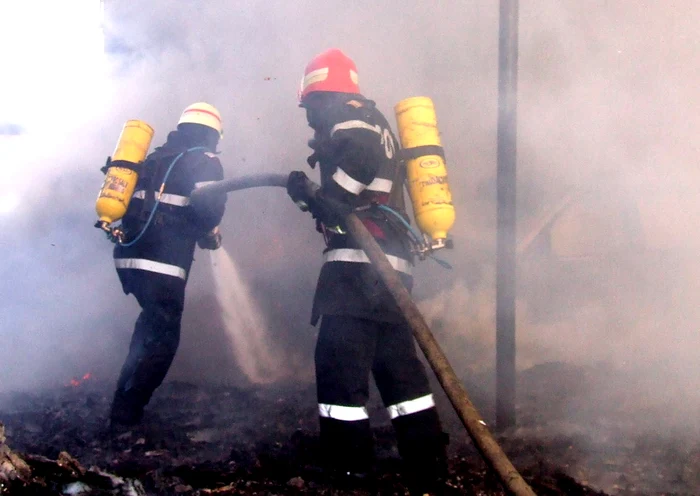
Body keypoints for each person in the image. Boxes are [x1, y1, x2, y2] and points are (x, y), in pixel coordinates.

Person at [287, 49, 448, 495]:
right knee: (399, 372)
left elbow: (351, 175)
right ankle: (428, 462)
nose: (308, 116)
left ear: (320, 94)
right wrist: (313, 198)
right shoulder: (372, 120)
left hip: (358, 269)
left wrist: (319, 195)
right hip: (389, 270)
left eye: (308, 105)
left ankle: (349, 469)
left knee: (339, 368)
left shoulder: (350, 120)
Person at [109, 102, 227, 427]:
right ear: (212, 134)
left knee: (149, 327)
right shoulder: (205, 159)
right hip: (163, 264)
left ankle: (123, 402)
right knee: (163, 340)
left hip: (130, 258)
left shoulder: (153, 158)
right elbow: (208, 209)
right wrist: (209, 232)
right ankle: (126, 414)